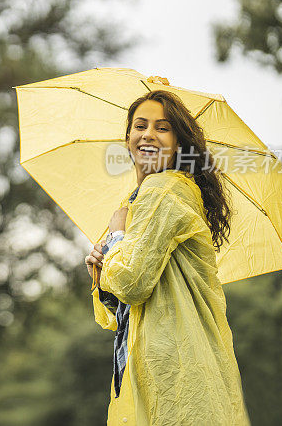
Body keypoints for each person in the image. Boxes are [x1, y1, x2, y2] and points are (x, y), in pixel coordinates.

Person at [84, 89, 251, 425]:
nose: (148, 134)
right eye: (140, 125)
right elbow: (121, 315)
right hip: (161, 368)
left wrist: (117, 238)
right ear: (128, 137)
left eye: (162, 128)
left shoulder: (164, 190)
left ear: (178, 143)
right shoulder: (140, 200)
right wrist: (101, 271)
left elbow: (132, 283)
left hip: (177, 372)